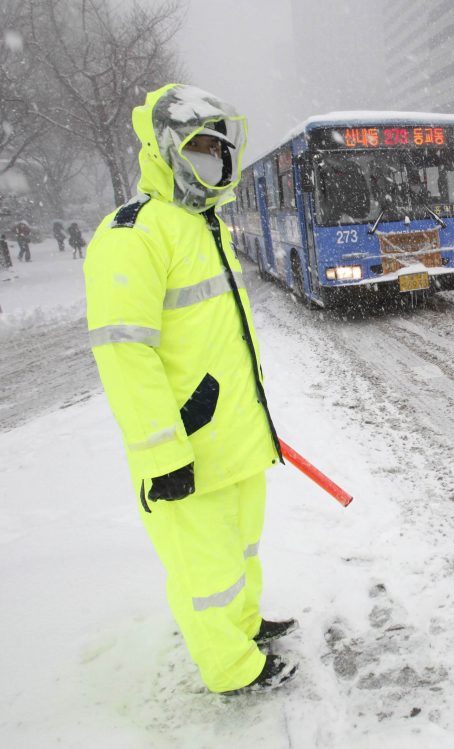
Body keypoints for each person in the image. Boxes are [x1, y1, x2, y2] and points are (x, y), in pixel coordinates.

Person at [83, 84, 297, 695]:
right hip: (186, 449)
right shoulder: (134, 233)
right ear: (165, 148)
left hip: (234, 437)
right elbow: (125, 354)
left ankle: (247, 628)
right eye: (199, 145)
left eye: (218, 147)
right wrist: (162, 454)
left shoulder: (204, 226)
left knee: (241, 554)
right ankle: (232, 671)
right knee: (205, 572)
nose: (211, 157)